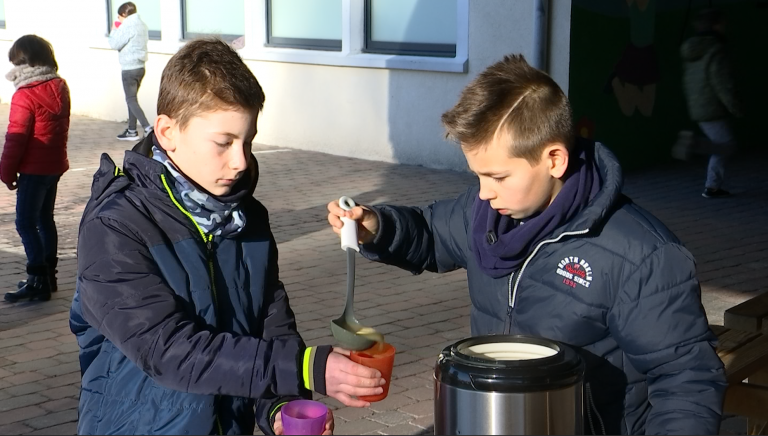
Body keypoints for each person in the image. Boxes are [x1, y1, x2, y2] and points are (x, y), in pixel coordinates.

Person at [327, 54, 726, 435]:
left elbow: (685, 378)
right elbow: (431, 233)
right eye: (477, 175)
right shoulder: (483, 213)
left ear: (554, 159)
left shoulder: (642, 255)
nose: (483, 193)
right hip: (492, 417)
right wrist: (377, 227)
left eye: (497, 177)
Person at [70, 39, 385, 435]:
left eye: (248, 141)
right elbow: (168, 350)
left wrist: (280, 405)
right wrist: (305, 368)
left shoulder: (246, 218)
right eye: (223, 143)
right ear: (168, 132)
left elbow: (270, 325)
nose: (239, 162)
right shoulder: (116, 227)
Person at [1, 35, 70, 302]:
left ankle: (37, 280)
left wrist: (6, 172)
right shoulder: (59, 85)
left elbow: (15, 138)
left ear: (23, 62)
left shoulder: (25, 94)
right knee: (44, 220)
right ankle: (48, 277)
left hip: (33, 170)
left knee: (25, 222)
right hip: (53, 166)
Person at [675, 8, 742, 198]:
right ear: (717, 25)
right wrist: (735, 106)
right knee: (726, 146)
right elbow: (722, 83)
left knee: (723, 145)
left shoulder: (693, 50)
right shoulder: (715, 49)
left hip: (698, 105)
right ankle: (695, 149)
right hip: (712, 106)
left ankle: (712, 186)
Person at [108, 1, 153, 141]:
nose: (118, 20)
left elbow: (114, 43)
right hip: (140, 67)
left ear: (123, 15)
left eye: (119, 17)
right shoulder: (142, 25)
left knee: (130, 99)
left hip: (129, 68)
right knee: (132, 100)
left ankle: (147, 128)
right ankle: (132, 131)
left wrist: (114, 29)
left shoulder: (127, 25)